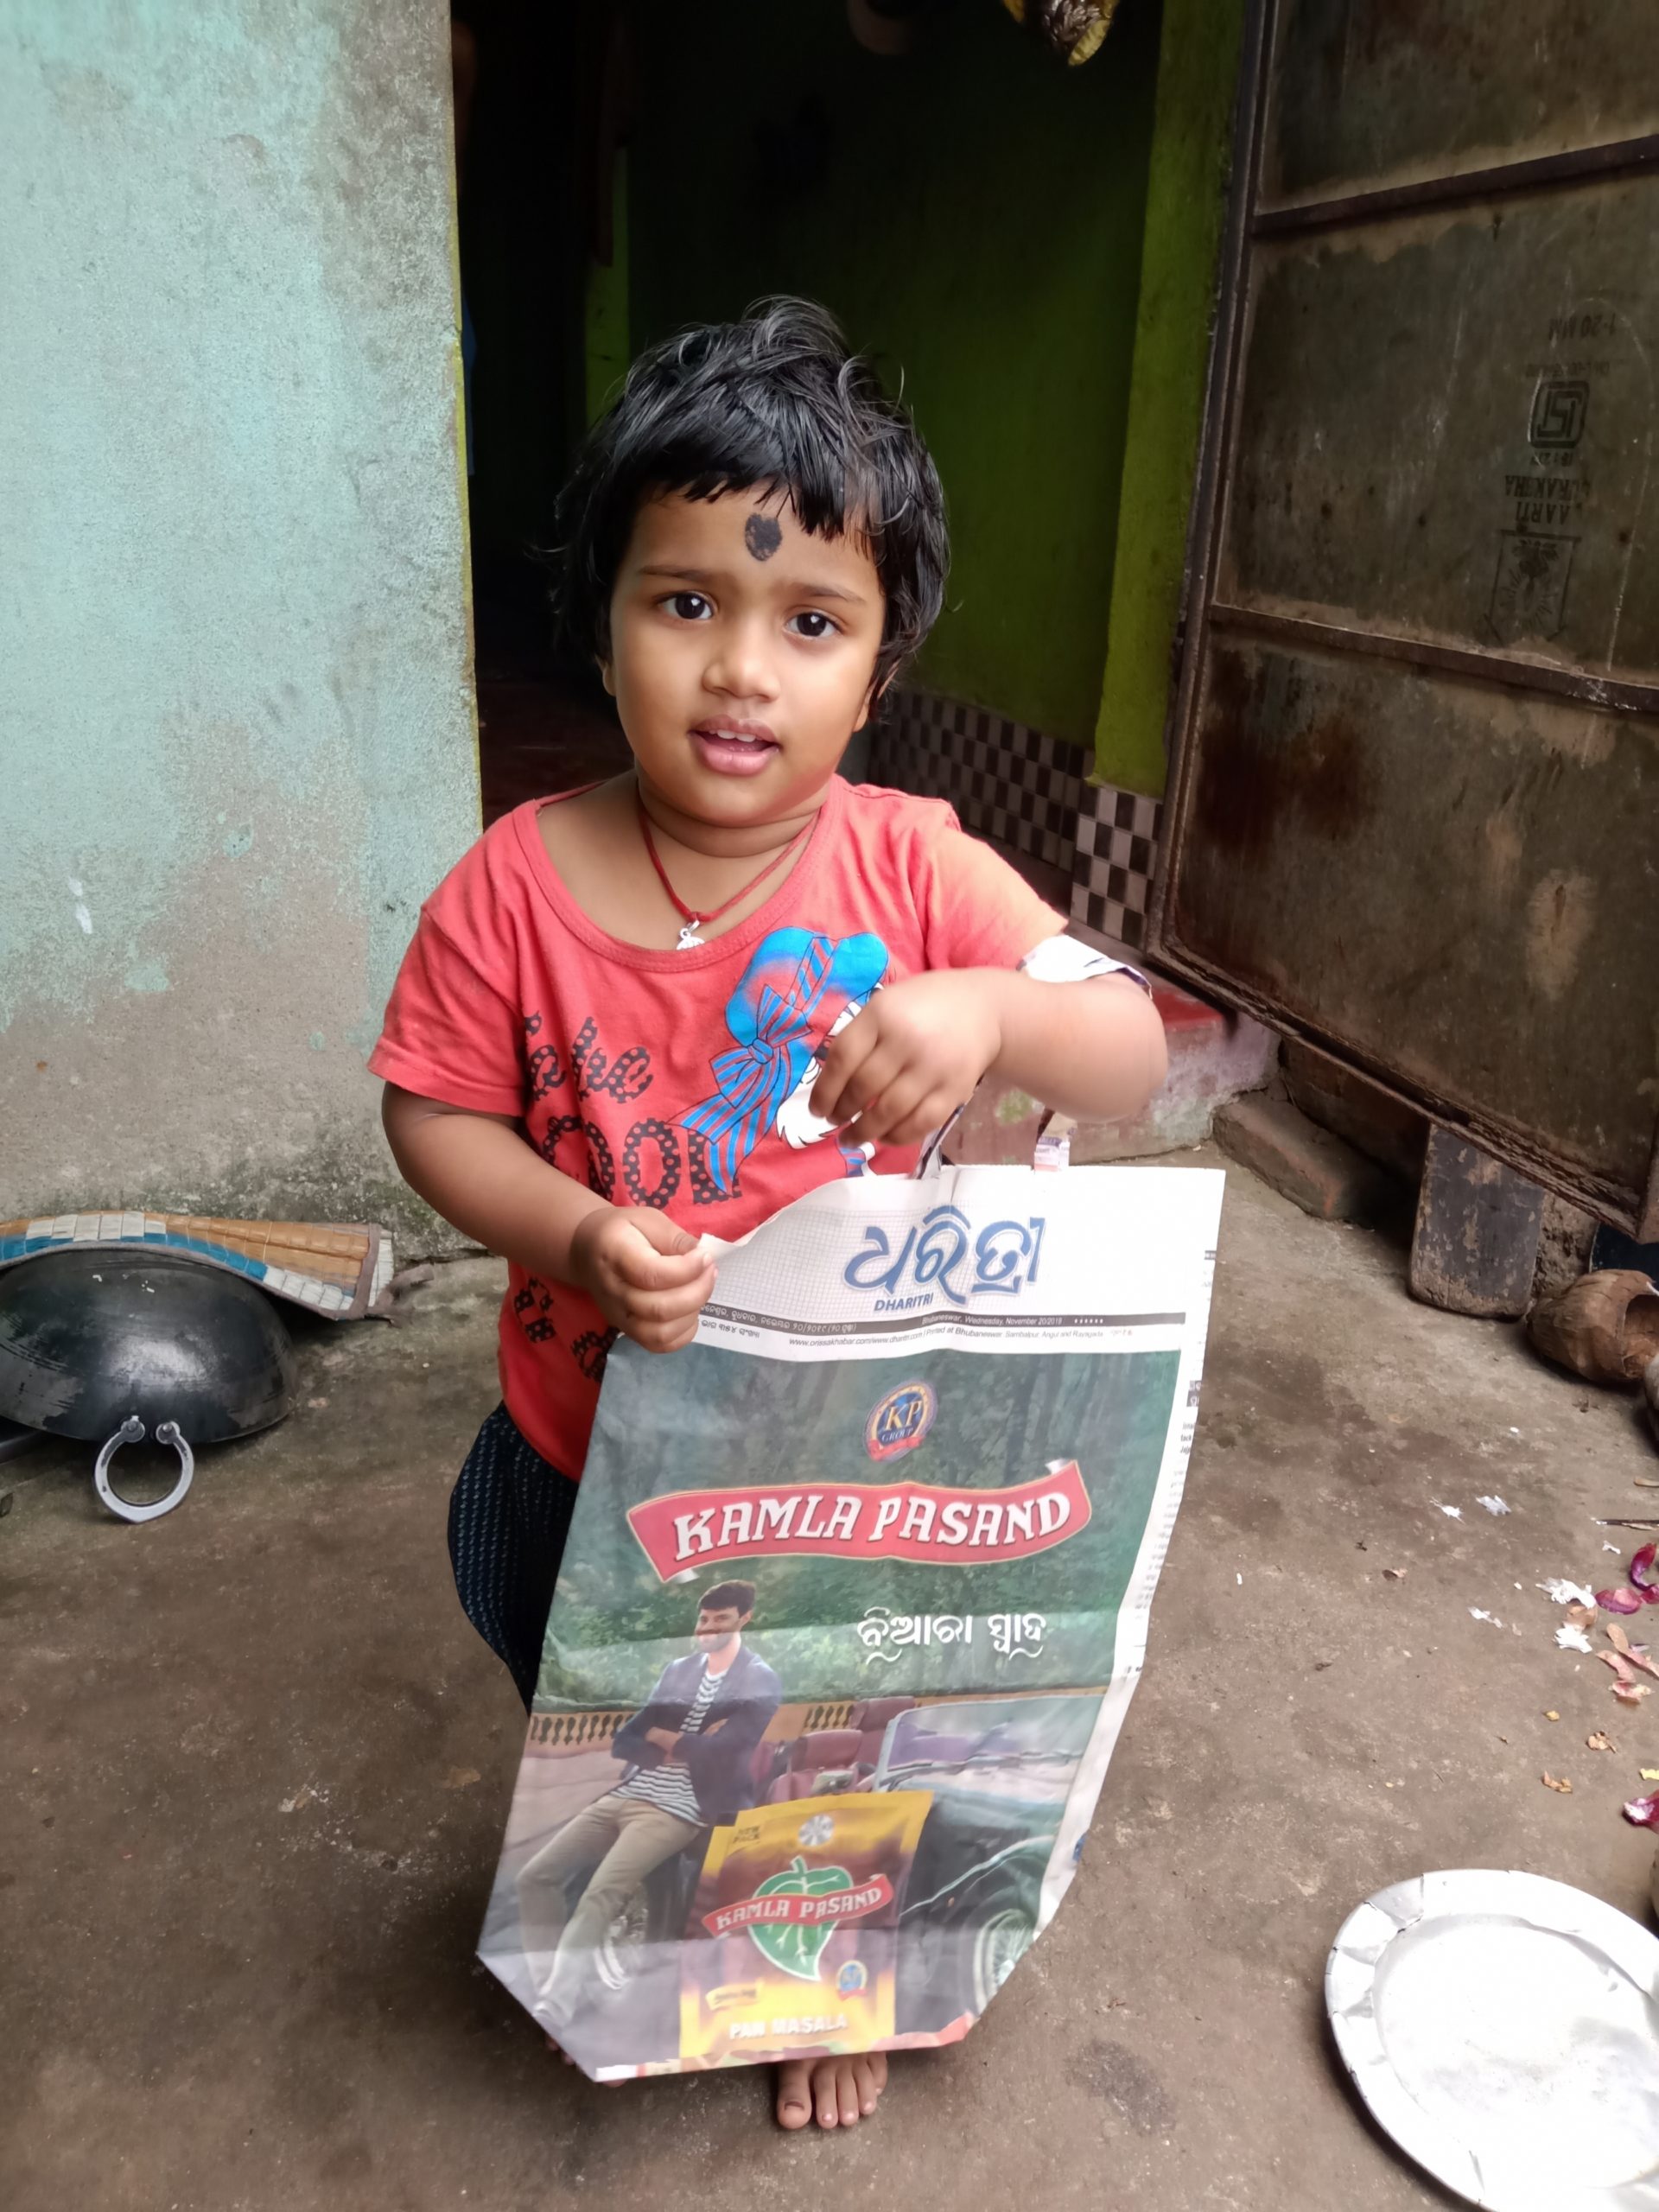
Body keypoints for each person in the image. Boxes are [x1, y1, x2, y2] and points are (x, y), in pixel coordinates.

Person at [370, 296, 1168, 2129]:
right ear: (601, 624)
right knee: (623, 1723)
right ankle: (653, 1929)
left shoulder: (912, 865)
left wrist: (992, 1009)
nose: (744, 670)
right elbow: (434, 1111)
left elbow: (1130, 1047)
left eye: (812, 621)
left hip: (854, 1476)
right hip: (590, 1451)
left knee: (834, 1742)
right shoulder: (508, 889)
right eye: (686, 602)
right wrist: (576, 1234)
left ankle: (831, 1974)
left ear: (876, 673)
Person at [516, 1581, 779, 2026]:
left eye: (721, 1619)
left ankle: (556, 2007)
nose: (708, 1627)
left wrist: (666, 1737)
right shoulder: (678, 1670)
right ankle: (548, 1987)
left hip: (680, 1809)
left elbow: (727, 1750)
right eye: (704, 1619)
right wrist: (672, 1743)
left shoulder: (760, 1679)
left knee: (601, 1893)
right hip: (630, 1791)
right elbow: (626, 1739)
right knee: (534, 1877)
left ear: (745, 1618)